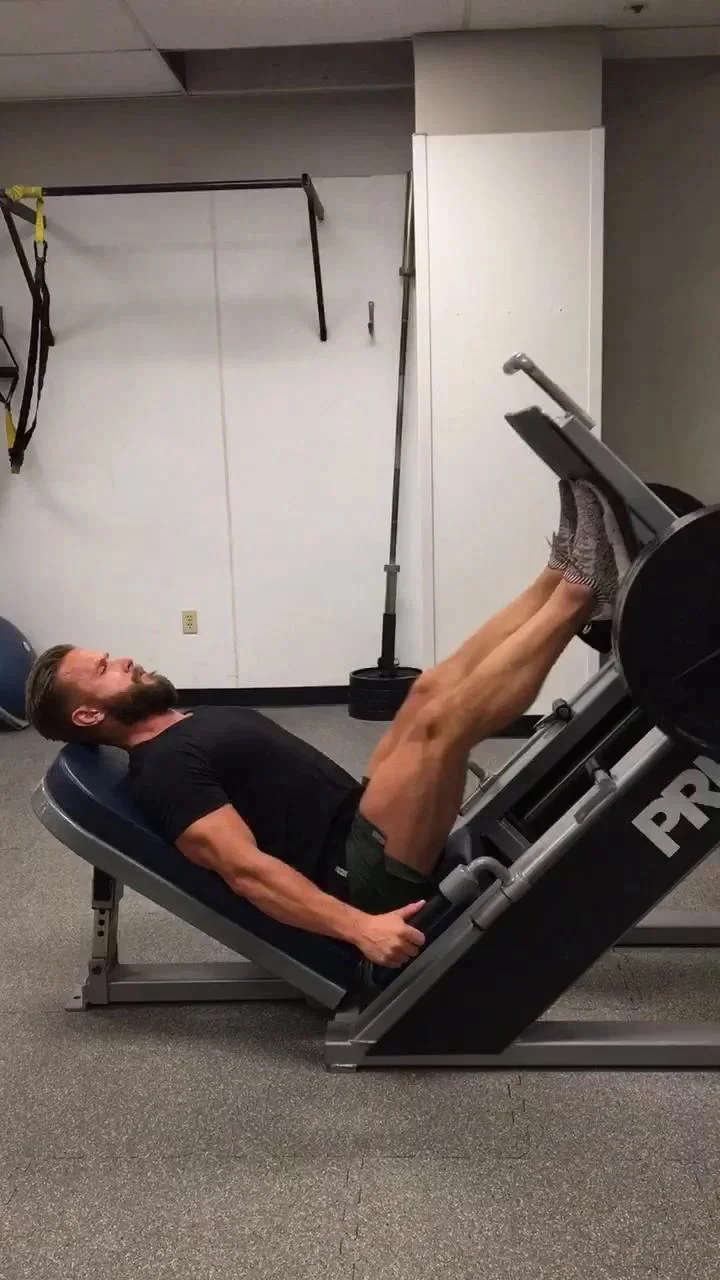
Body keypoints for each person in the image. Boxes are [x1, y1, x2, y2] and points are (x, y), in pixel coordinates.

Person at [26, 479, 633, 971]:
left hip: (357, 820)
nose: (123, 659)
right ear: (88, 714)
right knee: (445, 726)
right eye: (104, 668)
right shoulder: (163, 775)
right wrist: (361, 928)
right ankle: (582, 593)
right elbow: (248, 874)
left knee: (424, 692)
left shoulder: (176, 723)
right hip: (364, 878)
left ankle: (558, 573)